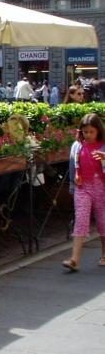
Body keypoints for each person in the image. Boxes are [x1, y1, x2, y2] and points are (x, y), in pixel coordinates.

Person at [63, 113, 105, 272]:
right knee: (80, 220)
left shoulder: (103, 145)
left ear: (98, 131)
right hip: (82, 187)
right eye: (85, 131)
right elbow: (72, 166)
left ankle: (104, 253)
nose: (88, 135)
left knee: (103, 221)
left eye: (91, 132)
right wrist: (72, 186)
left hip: (101, 187)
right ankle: (75, 259)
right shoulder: (77, 146)